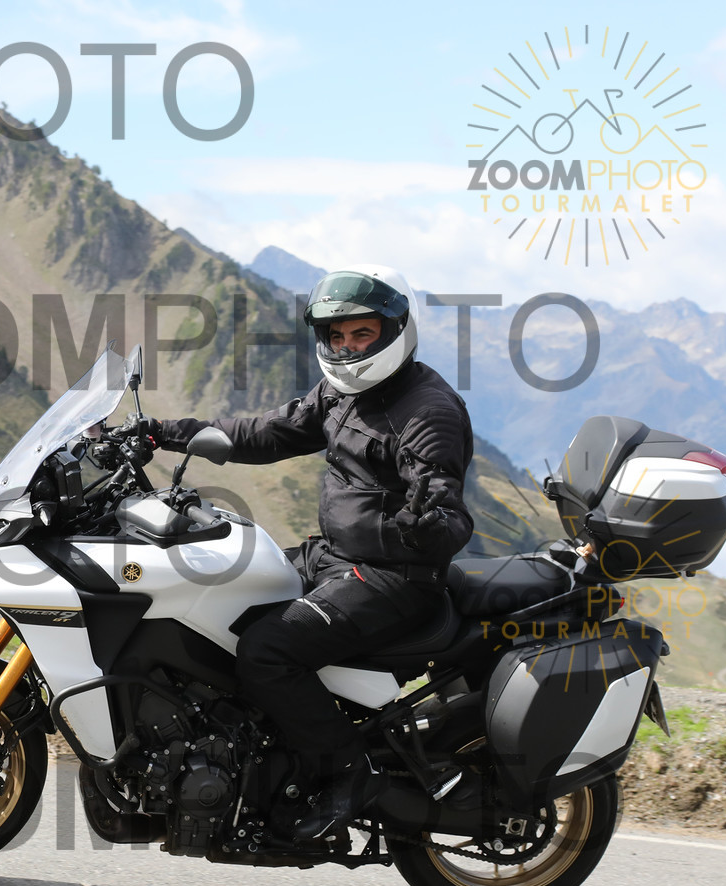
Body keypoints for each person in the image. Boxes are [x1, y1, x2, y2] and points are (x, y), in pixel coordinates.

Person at [123, 264, 474, 840]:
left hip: (394, 576)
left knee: (267, 650)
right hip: (335, 556)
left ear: (395, 330)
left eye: (362, 334)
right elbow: (267, 433)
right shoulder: (341, 393)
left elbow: (447, 509)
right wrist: (163, 432)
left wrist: (425, 524)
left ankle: (347, 773)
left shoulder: (426, 411)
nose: (347, 347)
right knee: (219, 590)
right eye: (337, 335)